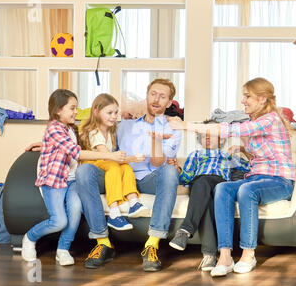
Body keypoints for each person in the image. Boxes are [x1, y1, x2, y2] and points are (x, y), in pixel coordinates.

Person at [169, 77, 296, 277]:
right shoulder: (255, 121)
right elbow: (264, 151)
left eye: (247, 96)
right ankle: (225, 256)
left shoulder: (269, 119)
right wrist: (245, 149)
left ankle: (248, 253)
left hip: (279, 181)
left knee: (246, 189)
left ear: (262, 99)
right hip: (256, 177)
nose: (243, 101)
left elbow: (230, 129)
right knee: (223, 188)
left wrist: (185, 126)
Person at [70, 78, 182, 271]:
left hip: (149, 179)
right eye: (153, 94)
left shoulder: (173, 128)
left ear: (169, 103)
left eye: (162, 96)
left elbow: (157, 162)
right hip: (119, 176)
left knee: (170, 171)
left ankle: (151, 244)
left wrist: (156, 135)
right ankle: (103, 242)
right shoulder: (124, 125)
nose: (156, 99)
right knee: (85, 170)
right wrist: (46, 145)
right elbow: (94, 134)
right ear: (146, 96)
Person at [21, 89, 129, 266]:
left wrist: (45, 145)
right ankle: (30, 238)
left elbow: (69, 146)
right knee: (59, 221)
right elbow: (75, 152)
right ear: (58, 110)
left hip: (72, 180)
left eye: (76, 108)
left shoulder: (71, 129)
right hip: (54, 181)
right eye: (72, 108)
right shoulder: (54, 128)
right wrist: (110, 156)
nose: (76, 112)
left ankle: (63, 249)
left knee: (75, 211)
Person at [168, 119, 250, 272]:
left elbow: (251, 167)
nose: (206, 137)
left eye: (210, 134)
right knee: (203, 193)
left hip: (220, 185)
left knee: (206, 186)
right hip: (199, 186)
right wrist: (177, 169)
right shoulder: (195, 155)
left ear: (221, 137)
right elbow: (186, 178)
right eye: (202, 135)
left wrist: (243, 150)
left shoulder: (228, 156)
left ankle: (186, 231)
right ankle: (210, 256)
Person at [79, 93, 146, 231]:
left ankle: (133, 201)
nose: (114, 116)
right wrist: (133, 158)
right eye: (109, 112)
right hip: (93, 166)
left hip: (104, 164)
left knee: (125, 167)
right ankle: (114, 213)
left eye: (116, 112)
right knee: (114, 166)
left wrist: (127, 160)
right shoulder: (94, 131)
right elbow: (107, 156)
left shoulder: (110, 132)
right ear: (96, 112)